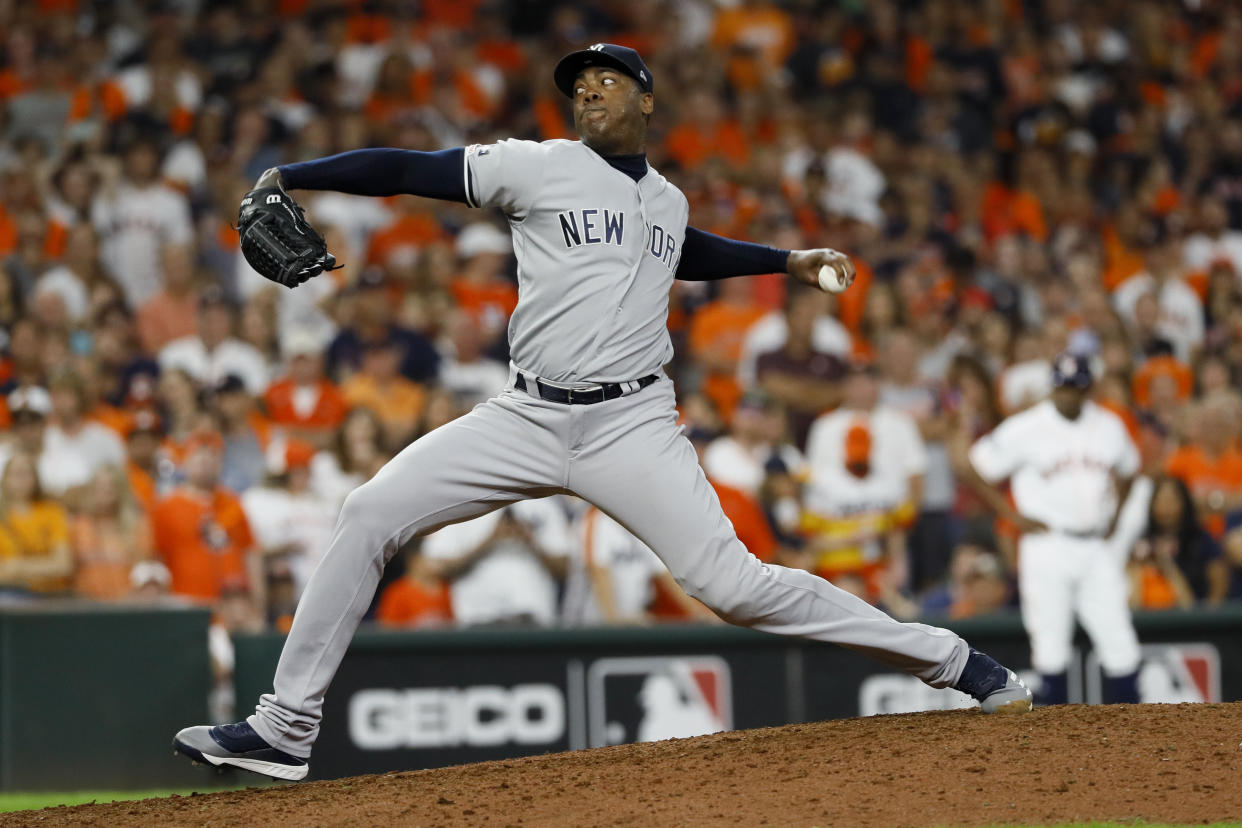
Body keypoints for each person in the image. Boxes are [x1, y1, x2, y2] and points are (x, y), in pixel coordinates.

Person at [174, 43, 1030, 781]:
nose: (586, 90)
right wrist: (293, 176)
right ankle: (284, 731)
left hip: (633, 426)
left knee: (734, 587)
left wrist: (785, 261)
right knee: (367, 513)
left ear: (647, 99)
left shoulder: (668, 200)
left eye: (607, 79)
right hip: (526, 415)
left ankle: (957, 662)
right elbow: (406, 169)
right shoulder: (535, 164)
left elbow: (683, 250)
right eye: (577, 82)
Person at [962, 353, 1142, 706]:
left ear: (1088, 389)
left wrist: (1117, 518)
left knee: (1120, 641)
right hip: (1047, 544)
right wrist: (1011, 516)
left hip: (1095, 545)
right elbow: (975, 466)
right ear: (1053, 387)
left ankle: (1134, 736)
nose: (1067, 395)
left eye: (1075, 388)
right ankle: (1051, 750)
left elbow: (1131, 469)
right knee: (1050, 646)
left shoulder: (1109, 424)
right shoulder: (1026, 427)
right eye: (1062, 387)